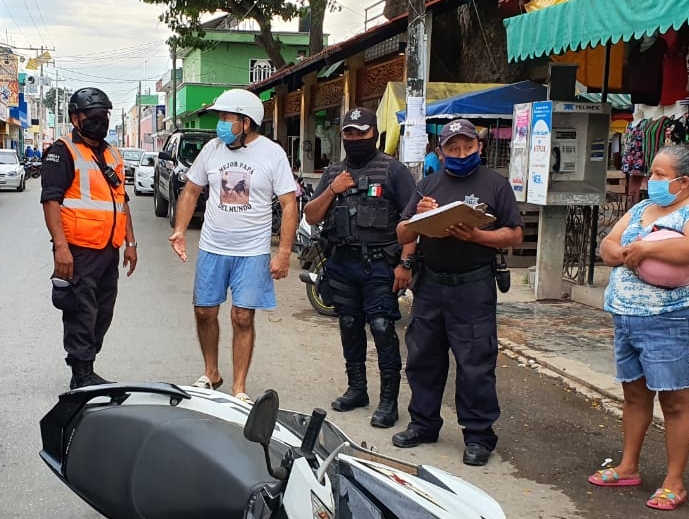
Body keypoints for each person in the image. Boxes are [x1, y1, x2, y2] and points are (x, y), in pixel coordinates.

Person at [590, 145, 689, 510]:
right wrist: (624, 253)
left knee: (675, 401)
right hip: (628, 316)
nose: (653, 180)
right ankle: (628, 465)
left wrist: (646, 250)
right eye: (653, 173)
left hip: (673, 319)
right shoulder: (641, 209)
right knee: (634, 395)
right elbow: (609, 244)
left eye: (661, 175)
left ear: (684, 182)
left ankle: (674, 481)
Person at [392, 119, 523, 467]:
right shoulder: (428, 185)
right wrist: (418, 219)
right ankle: (423, 423)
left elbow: (513, 235)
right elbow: (403, 234)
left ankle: (479, 436)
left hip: (473, 286)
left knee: (475, 364)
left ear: (479, 147)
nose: (461, 153)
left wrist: (478, 236)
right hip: (431, 285)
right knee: (422, 359)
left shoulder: (495, 185)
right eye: (453, 148)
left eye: (467, 147)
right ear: (442, 151)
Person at [169, 88, 298, 401]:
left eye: (227, 118)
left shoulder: (272, 154)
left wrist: (282, 253)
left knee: (242, 317)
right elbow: (190, 190)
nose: (221, 124)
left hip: (252, 251)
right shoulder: (212, 150)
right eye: (221, 118)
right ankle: (211, 372)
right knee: (204, 311)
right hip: (213, 246)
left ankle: (239, 387)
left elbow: (289, 204)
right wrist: (180, 230)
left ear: (247, 121)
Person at [304, 107, 416, 427]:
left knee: (382, 328)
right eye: (349, 133)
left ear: (374, 135)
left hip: (380, 264)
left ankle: (388, 401)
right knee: (349, 326)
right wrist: (332, 189)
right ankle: (357, 389)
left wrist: (406, 264)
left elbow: (412, 222)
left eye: (361, 133)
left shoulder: (394, 171)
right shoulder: (333, 173)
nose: (354, 139)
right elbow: (312, 215)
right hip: (342, 263)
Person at [40, 87, 138, 390]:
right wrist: (61, 248)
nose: (99, 120)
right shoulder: (62, 151)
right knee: (81, 311)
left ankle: (87, 363)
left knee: (103, 311)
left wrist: (130, 243)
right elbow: (51, 201)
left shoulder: (112, 154)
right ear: (75, 117)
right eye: (92, 115)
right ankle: (81, 375)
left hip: (108, 248)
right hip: (78, 251)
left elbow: (122, 201)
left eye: (103, 115)